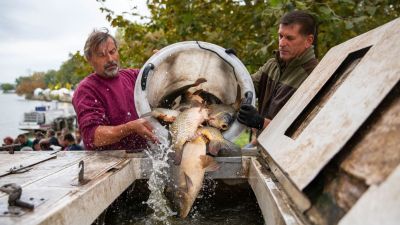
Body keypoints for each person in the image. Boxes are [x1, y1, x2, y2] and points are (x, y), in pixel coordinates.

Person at [72, 28, 157, 151]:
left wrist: (167, 62)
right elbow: (93, 136)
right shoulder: (86, 89)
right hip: (109, 165)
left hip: (146, 157)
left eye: (113, 52)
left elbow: (161, 80)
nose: (110, 59)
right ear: (89, 59)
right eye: (101, 55)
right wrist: (129, 128)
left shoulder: (133, 76)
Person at [238, 11, 318, 137]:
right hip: (263, 148)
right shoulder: (272, 65)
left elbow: (302, 129)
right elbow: (245, 87)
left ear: (308, 41)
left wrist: (261, 122)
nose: (282, 43)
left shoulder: (315, 75)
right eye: (280, 36)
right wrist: (231, 65)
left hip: (289, 154)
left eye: (289, 38)